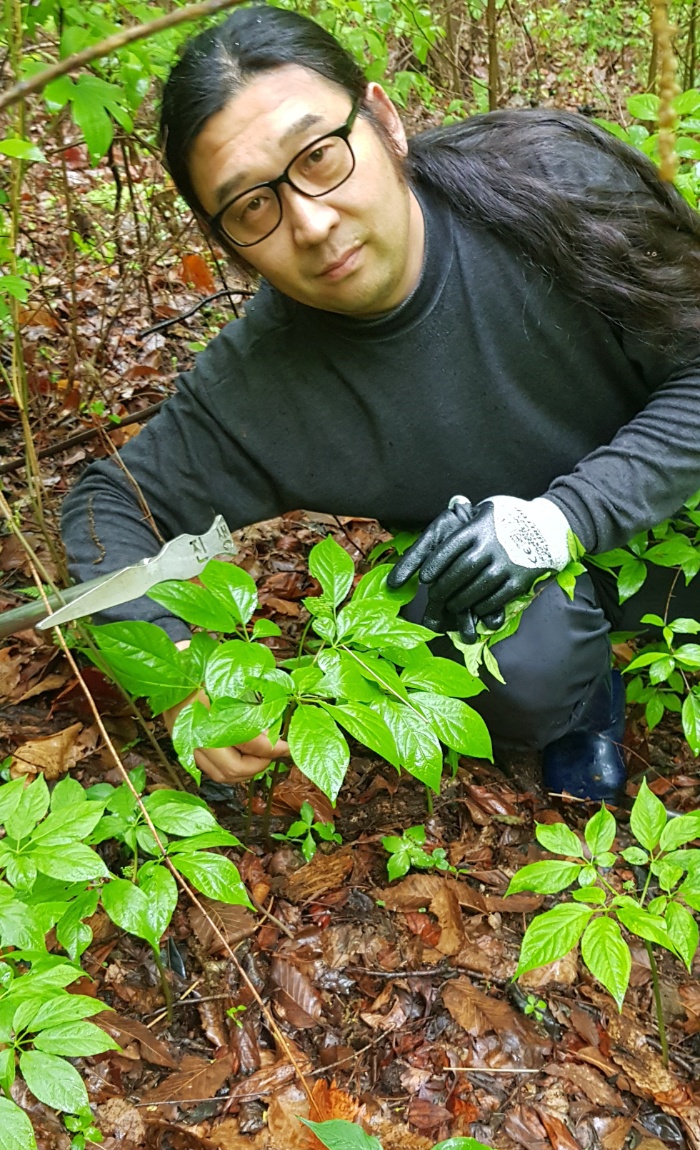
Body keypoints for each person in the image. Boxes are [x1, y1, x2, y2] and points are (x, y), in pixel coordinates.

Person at [61, 5, 700, 798]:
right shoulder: (262, 382)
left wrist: (558, 519)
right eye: (254, 206)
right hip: (497, 586)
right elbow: (108, 504)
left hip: (670, 501)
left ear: (386, 122)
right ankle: (582, 705)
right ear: (225, 242)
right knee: (519, 679)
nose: (314, 222)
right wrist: (177, 675)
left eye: (321, 156)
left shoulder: (552, 187)